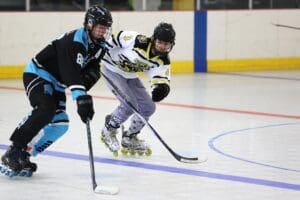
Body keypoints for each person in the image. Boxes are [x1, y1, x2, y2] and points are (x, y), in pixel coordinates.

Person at [0, 5, 112, 177]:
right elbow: (70, 72)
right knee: (46, 108)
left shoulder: (99, 46)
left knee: (60, 124)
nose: (103, 31)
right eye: (100, 27)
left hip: (57, 83)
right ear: (89, 24)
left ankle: (25, 153)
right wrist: (80, 97)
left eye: (105, 28)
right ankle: (14, 150)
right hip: (38, 73)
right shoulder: (74, 41)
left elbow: (90, 68)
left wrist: (91, 77)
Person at [100, 22, 176, 156]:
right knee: (129, 104)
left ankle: (130, 137)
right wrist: (100, 52)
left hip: (130, 75)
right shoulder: (137, 41)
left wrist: (161, 88)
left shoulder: (163, 61)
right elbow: (116, 37)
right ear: (153, 39)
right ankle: (109, 129)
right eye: (160, 42)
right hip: (112, 69)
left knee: (148, 107)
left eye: (167, 44)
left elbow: (160, 78)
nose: (163, 46)